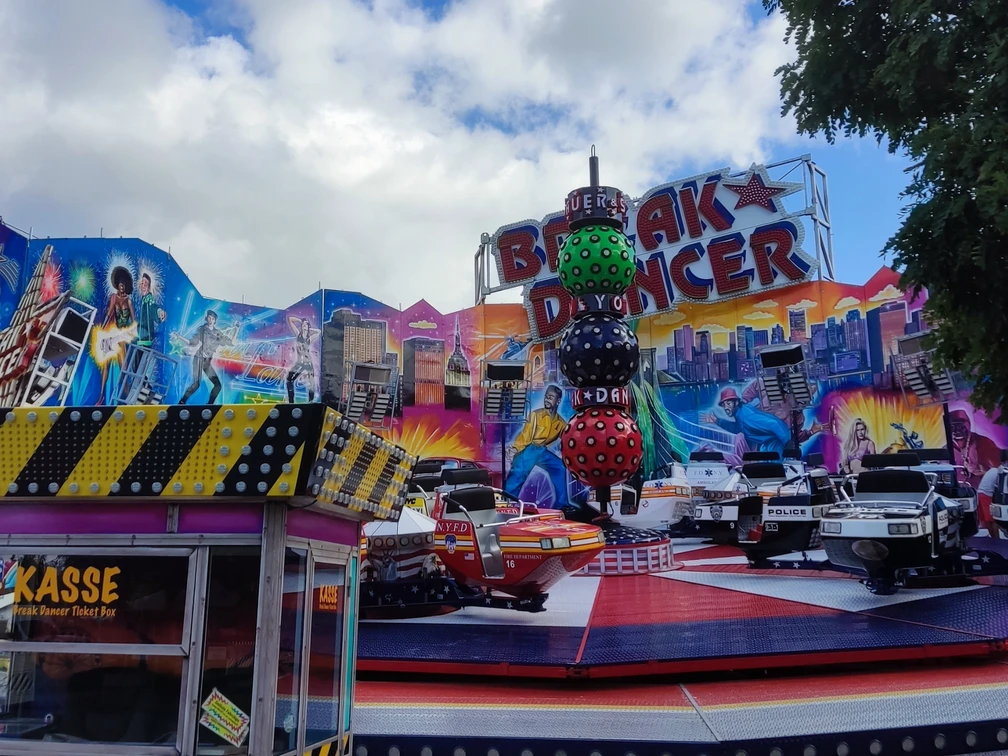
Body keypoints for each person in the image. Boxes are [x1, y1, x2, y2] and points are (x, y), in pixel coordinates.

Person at [504, 385, 569, 508]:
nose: (546, 400)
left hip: (543, 451)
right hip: (530, 449)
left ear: (558, 401)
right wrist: (514, 449)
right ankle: (509, 503)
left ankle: (562, 504)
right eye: (546, 397)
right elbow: (526, 435)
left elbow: (566, 439)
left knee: (560, 468)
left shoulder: (561, 423)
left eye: (550, 397)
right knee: (518, 473)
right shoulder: (536, 415)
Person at [699, 387, 792, 458]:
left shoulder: (747, 417)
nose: (726, 407)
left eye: (728, 403)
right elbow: (737, 428)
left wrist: (788, 444)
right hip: (768, 445)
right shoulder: (740, 414)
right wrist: (718, 421)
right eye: (723, 405)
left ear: (736, 403)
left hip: (775, 445)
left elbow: (774, 424)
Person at [177, 310, 237, 404]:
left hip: (207, 362)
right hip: (198, 359)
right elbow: (192, 342)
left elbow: (231, 342)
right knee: (196, 384)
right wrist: (179, 337)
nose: (210, 320)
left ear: (215, 321)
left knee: (218, 385)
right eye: (209, 317)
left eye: (212, 318)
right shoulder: (202, 329)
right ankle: (182, 402)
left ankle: (209, 404)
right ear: (206, 318)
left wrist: (237, 329)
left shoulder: (218, 334)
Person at [285, 317, 318, 403]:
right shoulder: (298, 334)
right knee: (289, 379)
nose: (304, 326)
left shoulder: (309, 338)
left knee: (311, 383)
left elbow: (319, 332)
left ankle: (310, 401)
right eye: (303, 325)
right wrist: (300, 321)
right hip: (300, 363)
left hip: (308, 363)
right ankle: (291, 401)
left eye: (306, 325)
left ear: (308, 327)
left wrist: (310, 328)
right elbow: (290, 319)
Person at [976, 464, 1003, 539]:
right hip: (986, 496)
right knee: (994, 520)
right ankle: (997, 540)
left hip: (980, 494)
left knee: (988, 520)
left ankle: (994, 540)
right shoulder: (1000, 473)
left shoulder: (993, 470)